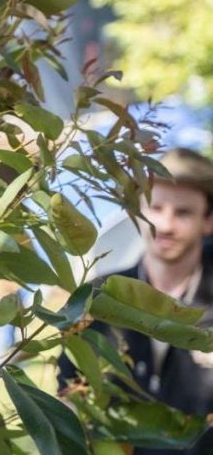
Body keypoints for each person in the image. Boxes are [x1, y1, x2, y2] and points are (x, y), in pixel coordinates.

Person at [59, 147, 213, 455]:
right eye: (155, 208)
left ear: (208, 221)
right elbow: (69, 397)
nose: (165, 225)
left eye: (183, 213)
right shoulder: (95, 298)